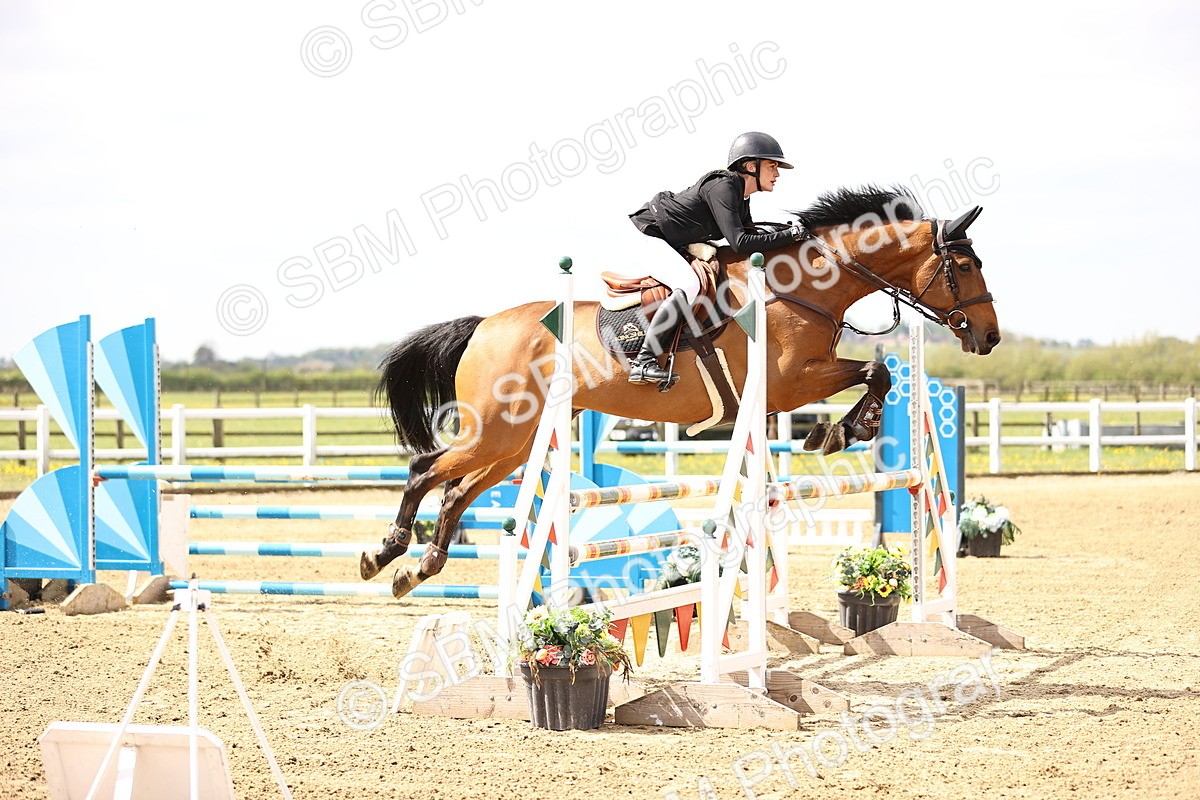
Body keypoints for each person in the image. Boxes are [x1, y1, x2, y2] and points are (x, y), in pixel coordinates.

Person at [626, 131, 805, 387]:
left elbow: (751, 235)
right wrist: (791, 235)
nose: (778, 174)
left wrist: (788, 235)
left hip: (668, 239)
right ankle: (644, 362)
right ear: (750, 166)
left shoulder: (742, 196)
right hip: (645, 235)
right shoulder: (725, 185)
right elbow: (740, 242)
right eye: (772, 166)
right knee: (689, 285)